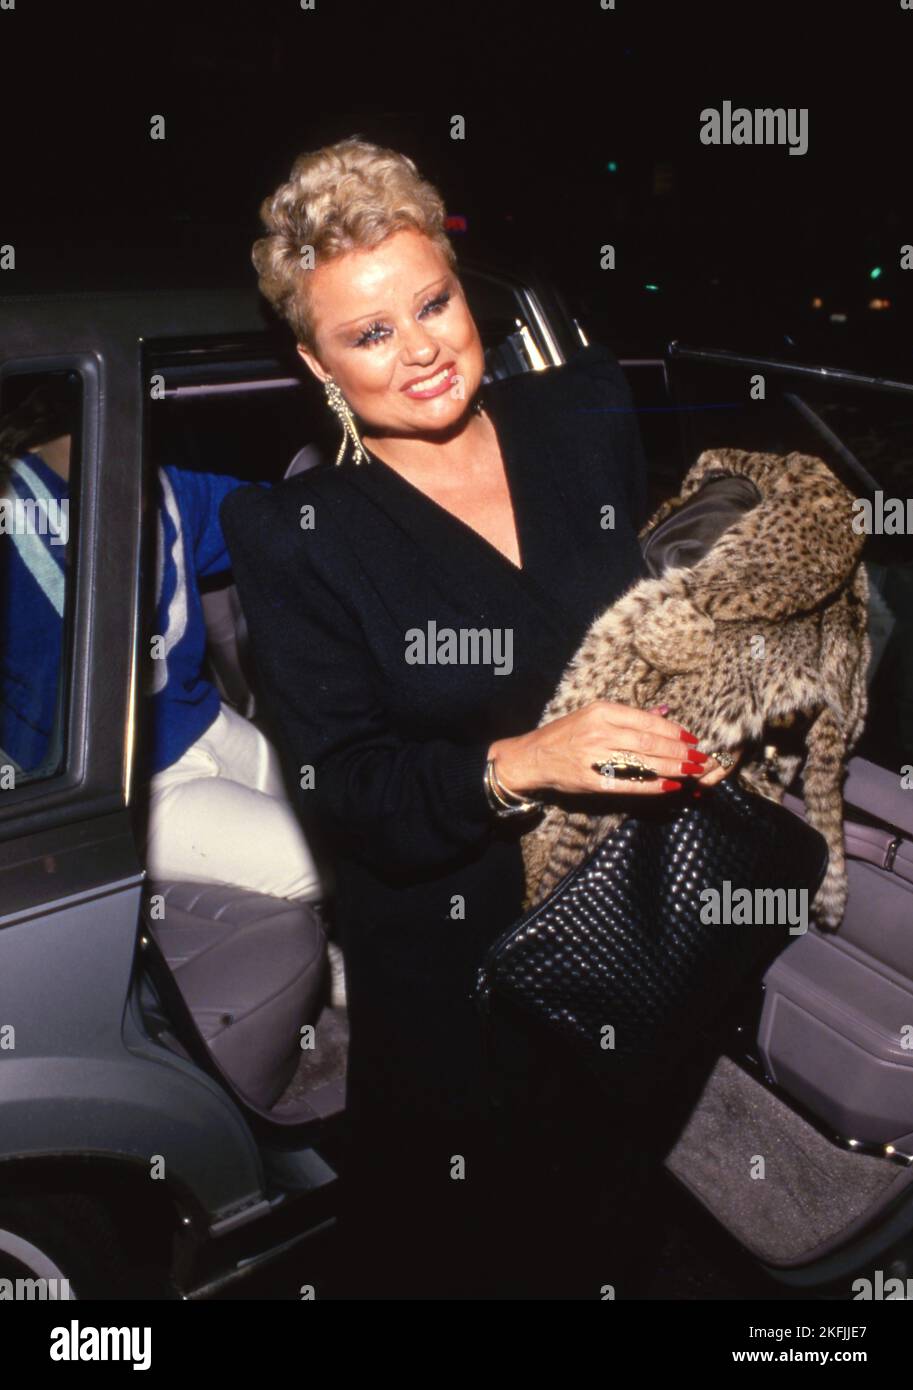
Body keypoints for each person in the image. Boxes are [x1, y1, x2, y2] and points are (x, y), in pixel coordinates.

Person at [221, 137, 738, 1299]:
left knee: (621, 1213)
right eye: (369, 334)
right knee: (476, 1249)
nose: (420, 353)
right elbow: (347, 791)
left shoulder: (583, 411)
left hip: (637, 922)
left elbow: (654, 617)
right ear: (316, 361)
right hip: (462, 970)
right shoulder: (296, 534)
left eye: (433, 304)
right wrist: (523, 760)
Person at [0, 381, 331, 913]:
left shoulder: (166, 486)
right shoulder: (11, 511)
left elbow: (278, 517)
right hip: (122, 789)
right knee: (332, 860)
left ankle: (332, 966)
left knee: (345, 812)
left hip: (203, 722)